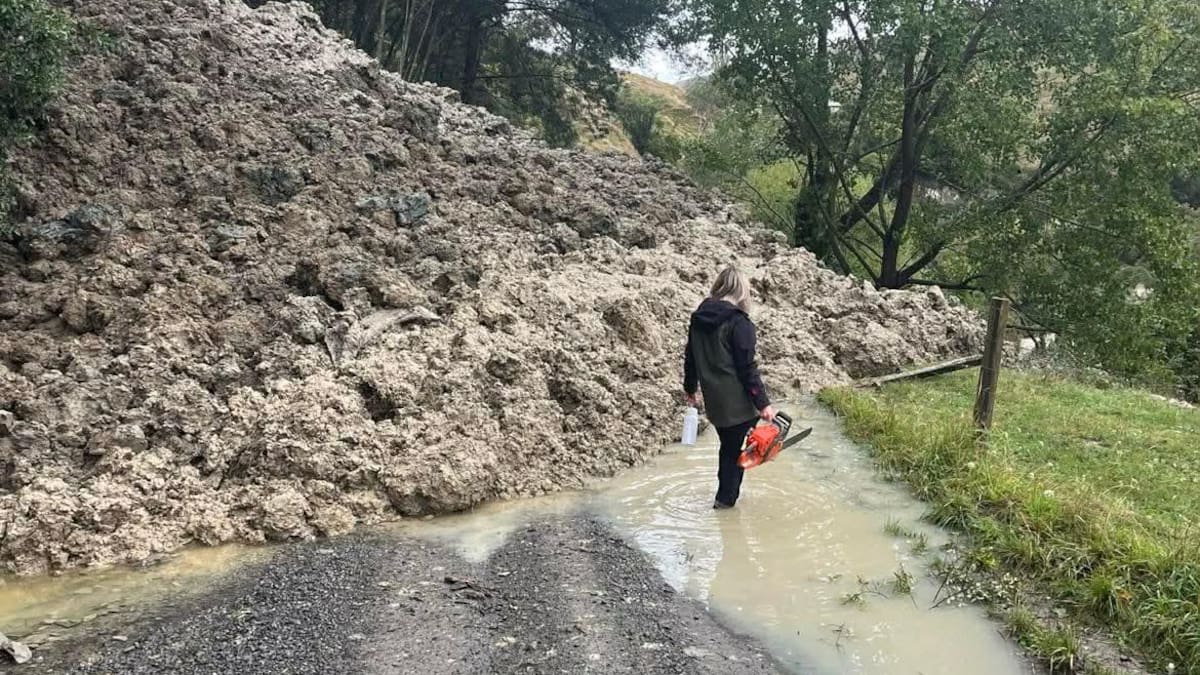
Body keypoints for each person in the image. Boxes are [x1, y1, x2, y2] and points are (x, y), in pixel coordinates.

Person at [683, 266, 775, 509]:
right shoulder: (738, 323)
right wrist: (763, 404)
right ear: (741, 291)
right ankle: (725, 503)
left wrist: (690, 387)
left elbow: (690, 357)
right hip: (739, 404)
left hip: (715, 402)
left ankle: (726, 497)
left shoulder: (698, 318)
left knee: (729, 448)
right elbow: (747, 369)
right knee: (734, 454)